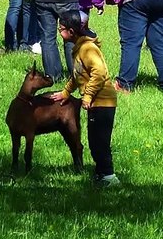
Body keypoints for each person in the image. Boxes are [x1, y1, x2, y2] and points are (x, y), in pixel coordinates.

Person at [51, 12, 119, 188]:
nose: (59, 32)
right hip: (96, 103)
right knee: (94, 140)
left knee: (100, 141)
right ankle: (101, 173)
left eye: (61, 29)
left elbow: (99, 73)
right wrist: (65, 93)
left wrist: (87, 97)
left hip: (102, 102)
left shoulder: (87, 49)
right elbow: (78, 75)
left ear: (72, 31)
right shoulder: (79, 48)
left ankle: (109, 176)